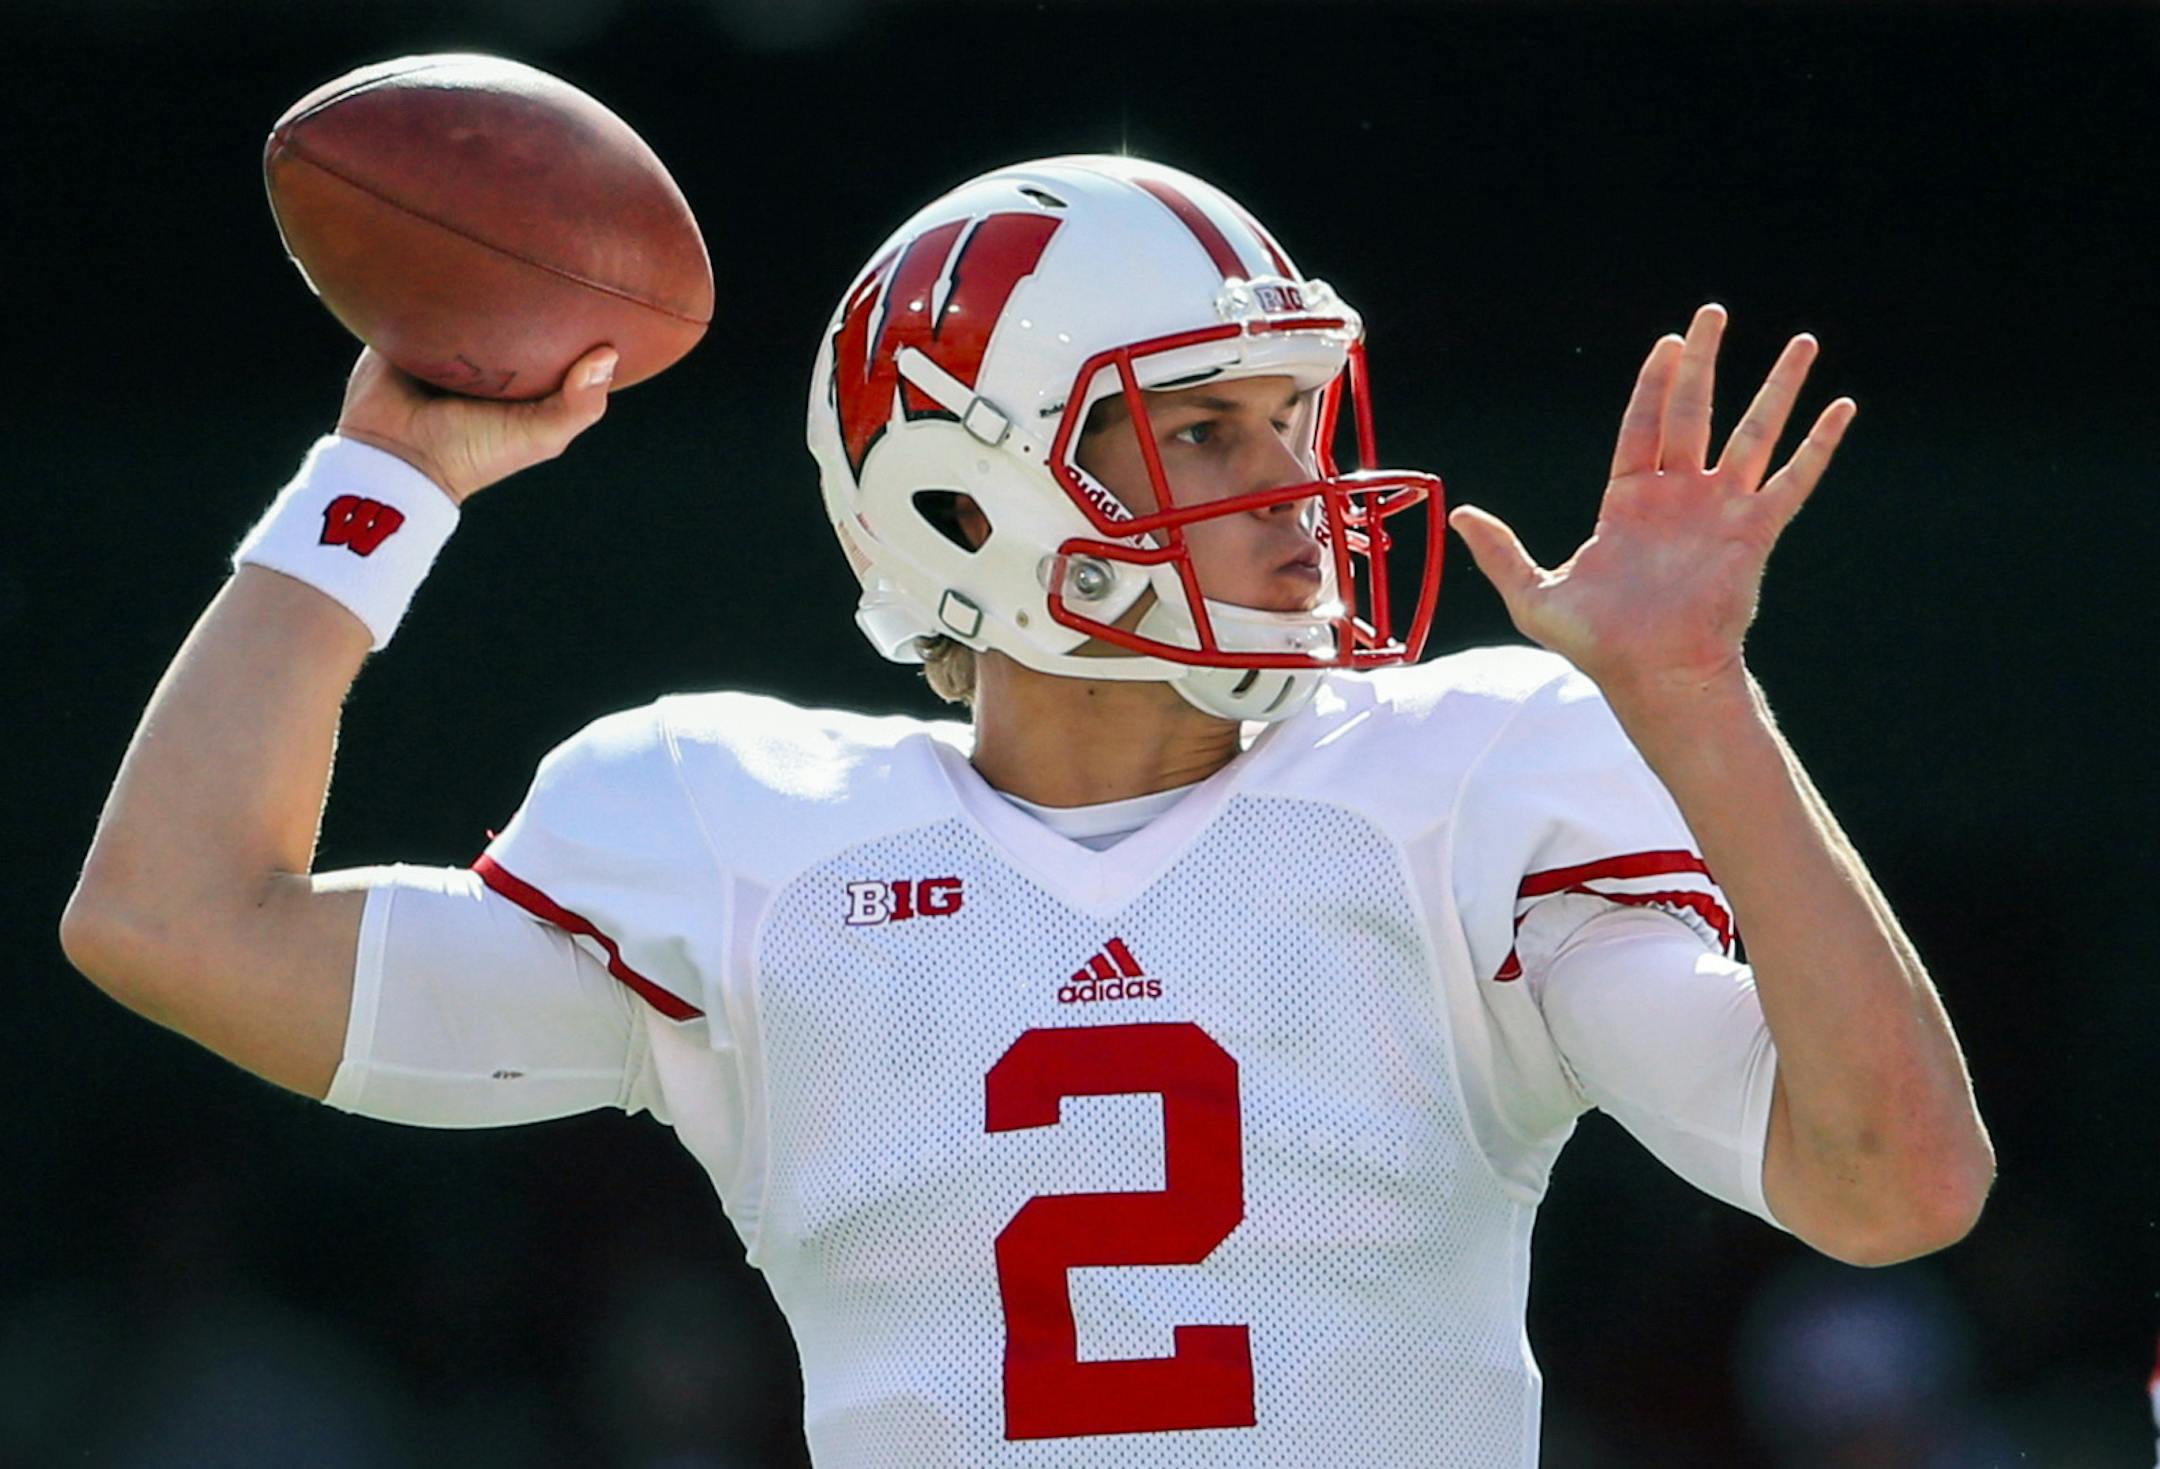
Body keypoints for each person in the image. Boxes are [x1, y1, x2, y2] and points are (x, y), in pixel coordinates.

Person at [62, 155, 1992, 1466]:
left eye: (1294, 420)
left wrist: (1696, 706)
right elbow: (169, 920)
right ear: (967, 502)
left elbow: (1893, 1187)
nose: (1290, 485)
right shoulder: (732, 836)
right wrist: (382, 474)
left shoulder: (1462, 781)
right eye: (1206, 427)